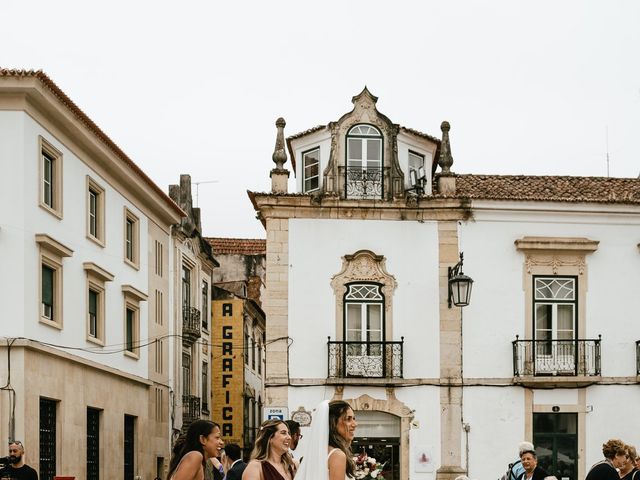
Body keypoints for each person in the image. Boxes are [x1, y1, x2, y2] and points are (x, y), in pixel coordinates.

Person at [295, 399, 358, 480]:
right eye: (348, 419)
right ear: (333, 423)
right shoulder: (337, 455)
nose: (355, 424)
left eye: (354, 418)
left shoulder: (317, 452)